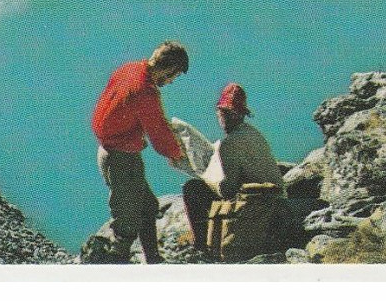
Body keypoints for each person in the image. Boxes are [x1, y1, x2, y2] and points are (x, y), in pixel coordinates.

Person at [92, 41, 192, 264]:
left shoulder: (129, 69)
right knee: (128, 219)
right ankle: (117, 263)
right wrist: (176, 153)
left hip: (111, 149)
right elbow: (158, 133)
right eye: (173, 76)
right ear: (168, 69)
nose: (171, 81)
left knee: (147, 206)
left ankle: (153, 259)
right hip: (121, 157)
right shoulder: (145, 91)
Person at [181, 83, 285, 254]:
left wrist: (206, 177)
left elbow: (227, 190)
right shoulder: (254, 134)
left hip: (257, 206)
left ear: (222, 114)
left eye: (223, 113)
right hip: (277, 203)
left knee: (192, 189)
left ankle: (203, 249)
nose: (222, 118)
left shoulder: (229, 144)